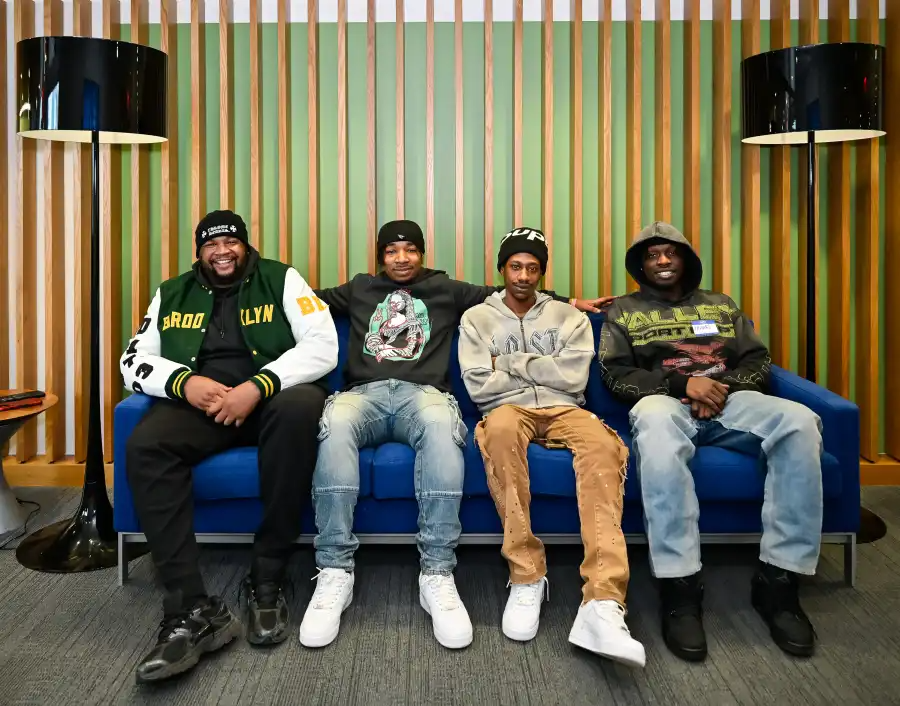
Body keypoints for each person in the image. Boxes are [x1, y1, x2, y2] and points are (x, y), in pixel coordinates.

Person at [299, 220, 611, 650]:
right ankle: (334, 570)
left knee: (445, 427)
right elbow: (302, 299)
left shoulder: (445, 288)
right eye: (392, 251)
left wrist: (572, 301)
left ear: (422, 254)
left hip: (425, 395)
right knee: (333, 425)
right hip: (363, 395)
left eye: (410, 250)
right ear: (380, 257)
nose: (402, 258)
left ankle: (437, 572)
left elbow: (510, 292)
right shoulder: (358, 288)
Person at [121, 210, 338, 683]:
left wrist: (259, 385)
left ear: (245, 246)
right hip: (204, 404)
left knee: (300, 411)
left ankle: (268, 575)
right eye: (212, 245)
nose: (223, 252)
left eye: (231, 243)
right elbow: (133, 359)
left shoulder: (282, 279)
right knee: (145, 445)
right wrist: (183, 382)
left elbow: (323, 346)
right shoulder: (170, 292)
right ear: (199, 251)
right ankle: (191, 609)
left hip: (272, 398)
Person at [598, 221, 823, 662]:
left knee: (800, 422)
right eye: (652, 255)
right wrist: (684, 386)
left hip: (731, 400)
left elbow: (758, 359)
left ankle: (779, 581)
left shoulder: (721, 305)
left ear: (686, 259)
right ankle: (680, 586)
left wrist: (719, 390)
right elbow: (615, 374)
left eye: (671, 253)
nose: (662, 261)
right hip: (663, 402)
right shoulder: (623, 310)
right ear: (640, 264)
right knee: (657, 435)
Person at [458, 228, 645, 668]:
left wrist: (509, 362)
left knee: (603, 444)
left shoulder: (569, 317)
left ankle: (602, 600)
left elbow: (574, 379)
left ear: (542, 272)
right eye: (515, 266)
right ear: (502, 269)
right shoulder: (476, 319)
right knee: (499, 431)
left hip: (566, 409)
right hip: (507, 409)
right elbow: (479, 386)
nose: (523, 275)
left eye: (533, 268)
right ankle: (527, 575)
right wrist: (543, 370)